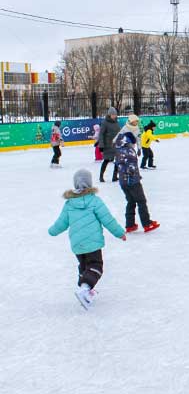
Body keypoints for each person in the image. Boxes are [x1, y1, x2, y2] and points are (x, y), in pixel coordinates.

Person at [48, 169, 126, 309]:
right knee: (96, 266)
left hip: (77, 245)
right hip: (93, 244)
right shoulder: (95, 201)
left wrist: (52, 231)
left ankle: (85, 290)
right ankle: (84, 289)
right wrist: (119, 233)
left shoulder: (69, 204)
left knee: (84, 267)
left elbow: (62, 223)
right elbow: (107, 219)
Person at [114, 132, 160, 234]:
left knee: (130, 201)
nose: (134, 145)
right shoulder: (129, 151)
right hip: (132, 181)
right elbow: (131, 166)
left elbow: (120, 165)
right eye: (133, 143)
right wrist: (135, 177)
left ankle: (130, 225)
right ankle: (147, 223)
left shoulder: (118, 150)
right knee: (141, 201)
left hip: (123, 181)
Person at [99, 107, 121, 182]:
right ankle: (101, 176)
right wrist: (101, 146)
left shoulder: (116, 122)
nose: (114, 116)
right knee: (106, 160)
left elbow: (119, 133)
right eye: (113, 114)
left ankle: (115, 176)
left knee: (117, 160)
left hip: (116, 145)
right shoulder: (105, 122)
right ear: (109, 115)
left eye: (115, 114)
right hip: (107, 145)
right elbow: (101, 134)